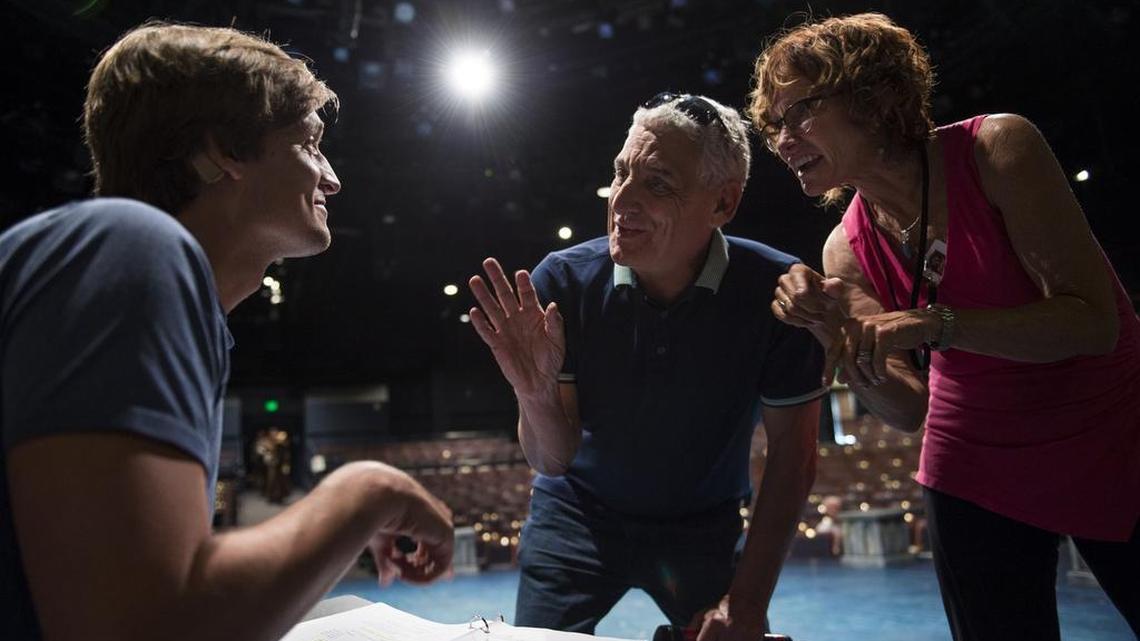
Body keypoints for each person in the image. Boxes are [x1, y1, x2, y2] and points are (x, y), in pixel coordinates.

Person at [0, 23, 454, 641]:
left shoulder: (157, 284)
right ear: (223, 150)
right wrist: (369, 493)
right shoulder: (130, 245)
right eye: (311, 145)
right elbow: (140, 627)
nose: (332, 179)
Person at [750, 12, 1139, 640]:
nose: (781, 138)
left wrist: (934, 323)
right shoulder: (843, 251)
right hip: (972, 457)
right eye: (773, 125)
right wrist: (835, 336)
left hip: (1111, 431)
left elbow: (1093, 325)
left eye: (798, 112)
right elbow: (904, 408)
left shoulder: (997, 149)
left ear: (870, 95)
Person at [468, 92, 826, 639]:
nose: (621, 199)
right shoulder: (560, 284)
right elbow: (552, 460)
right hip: (578, 516)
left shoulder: (777, 295)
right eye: (620, 173)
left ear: (723, 204)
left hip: (705, 523)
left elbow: (792, 463)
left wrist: (747, 602)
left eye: (657, 182)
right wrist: (534, 393)